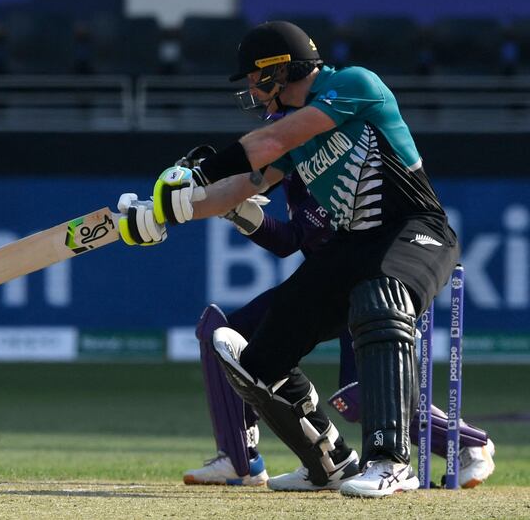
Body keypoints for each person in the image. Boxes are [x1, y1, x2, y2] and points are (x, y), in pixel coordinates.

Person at [117, 20, 461, 497]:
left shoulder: (352, 85)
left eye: (257, 81)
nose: (255, 94)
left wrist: (197, 172)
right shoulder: (287, 130)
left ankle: (390, 460)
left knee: (379, 297)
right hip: (352, 247)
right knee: (258, 355)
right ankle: (329, 462)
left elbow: (269, 145)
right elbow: (237, 190)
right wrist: (162, 213)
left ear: (281, 70)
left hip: (416, 230)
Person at [180, 163, 495, 489]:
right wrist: (216, 200)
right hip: (323, 285)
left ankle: (466, 442)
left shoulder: (331, 159)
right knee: (222, 335)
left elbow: (294, 238)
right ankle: (241, 459)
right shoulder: (290, 161)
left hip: (365, 279)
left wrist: (235, 207)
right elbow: (286, 233)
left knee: (358, 396)